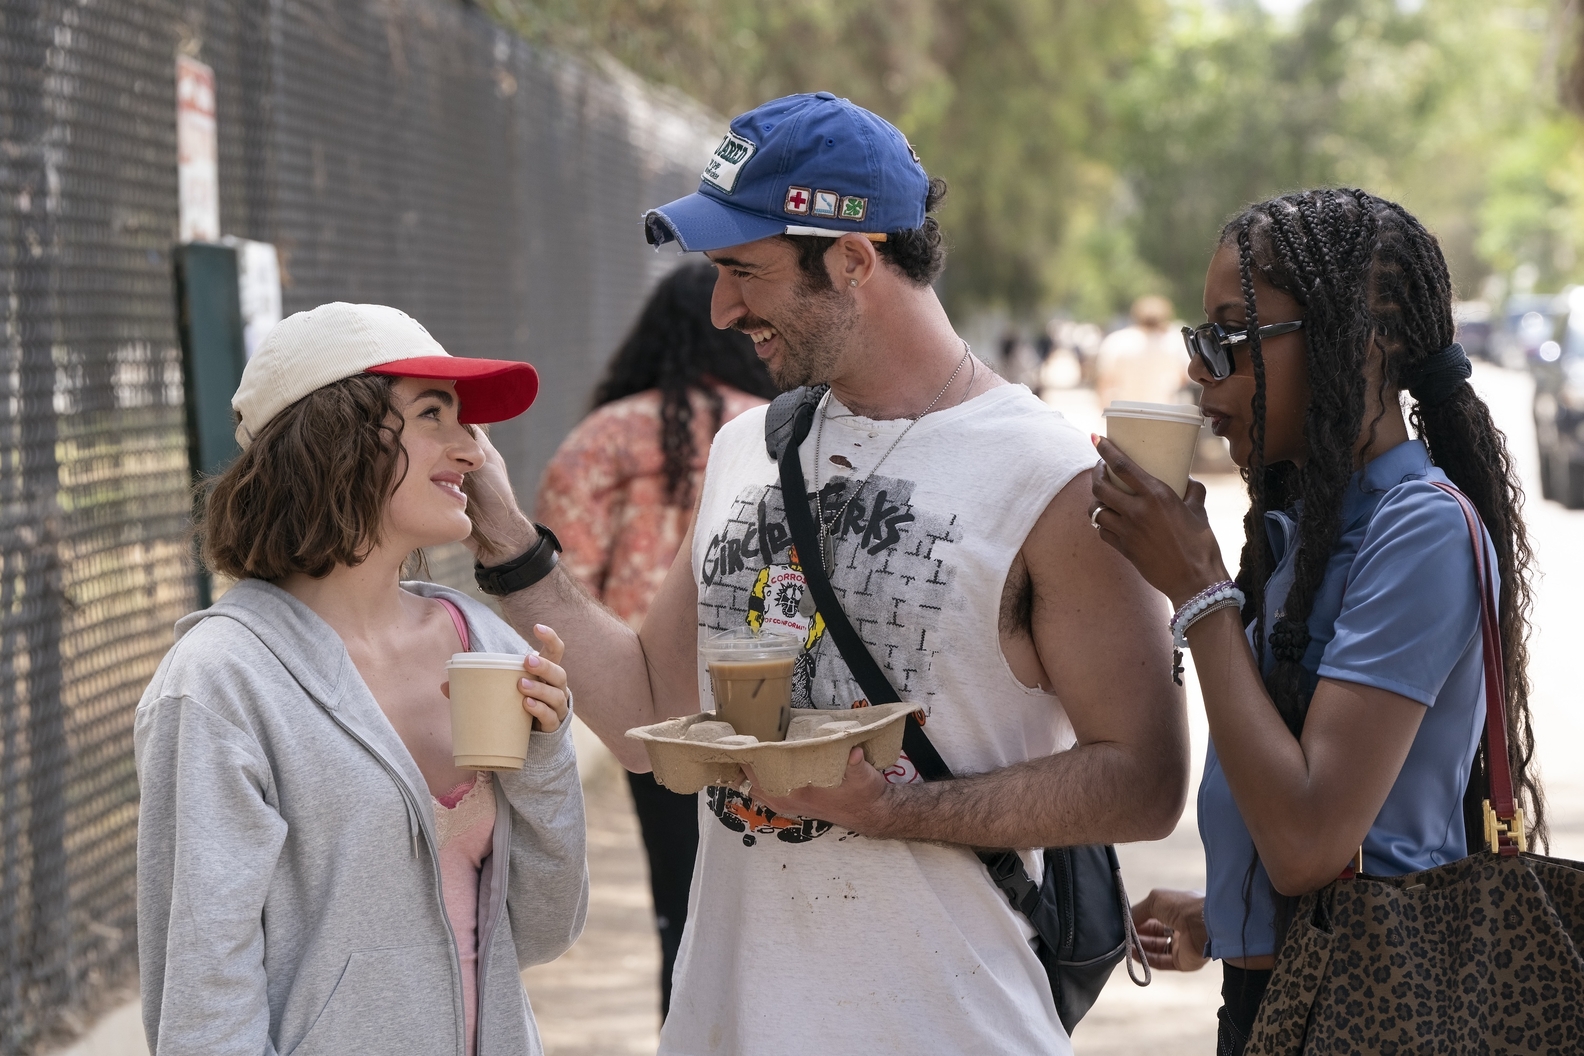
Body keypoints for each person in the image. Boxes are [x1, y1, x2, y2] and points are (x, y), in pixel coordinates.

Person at [462, 92, 1188, 1054]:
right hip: (727, 1023)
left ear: (854, 259)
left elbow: (1145, 782)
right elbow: (646, 713)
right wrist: (510, 544)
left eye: (744, 272)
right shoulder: (747, 447)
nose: (722, 309)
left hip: (949, 1025)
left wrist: (899, 810)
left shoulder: (1050, 477)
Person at [1088, 190, 1547, 1054]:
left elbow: (1306, 840)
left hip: (1373, 1014)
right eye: (1198, 339)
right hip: (1287, 991)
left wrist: (1199, 590)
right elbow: (1302, 837)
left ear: (1360, 343)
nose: (1200, 371)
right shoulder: (1306, 525)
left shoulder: (1421, 529)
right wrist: (1226, 919)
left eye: (1230, 336)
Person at [134, 303, 588, 1056]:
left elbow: (540, 933)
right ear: (335, 438)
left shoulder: (483, 643)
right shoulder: (222, 683)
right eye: (433, 415)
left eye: (465, 421)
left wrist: (547, 757)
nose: (473, 450)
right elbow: (204, 1001)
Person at [534, 259, 778, 1016]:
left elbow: (557, 587)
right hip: (775, 709)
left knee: (681, 900)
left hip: (653, 714)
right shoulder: (780, 430)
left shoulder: (600, 442)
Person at [1093, 294, 1189, 408]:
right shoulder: (1173, 343)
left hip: (1125, 411)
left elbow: (1105, 381)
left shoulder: (1118, 341)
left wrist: (1103, 408)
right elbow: (1184, 377)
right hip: (1162, 412)